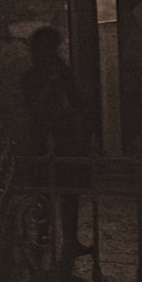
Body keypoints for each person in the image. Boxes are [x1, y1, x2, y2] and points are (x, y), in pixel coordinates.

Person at [21, 26, 92, 268]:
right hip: (44, 134)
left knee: (69, 189)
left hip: (64, 134)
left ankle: (70, 239)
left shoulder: (62, 71)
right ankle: (43, 235)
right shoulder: (32, 76)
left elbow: (76, 101)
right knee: (44, 191)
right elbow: (31, 106)